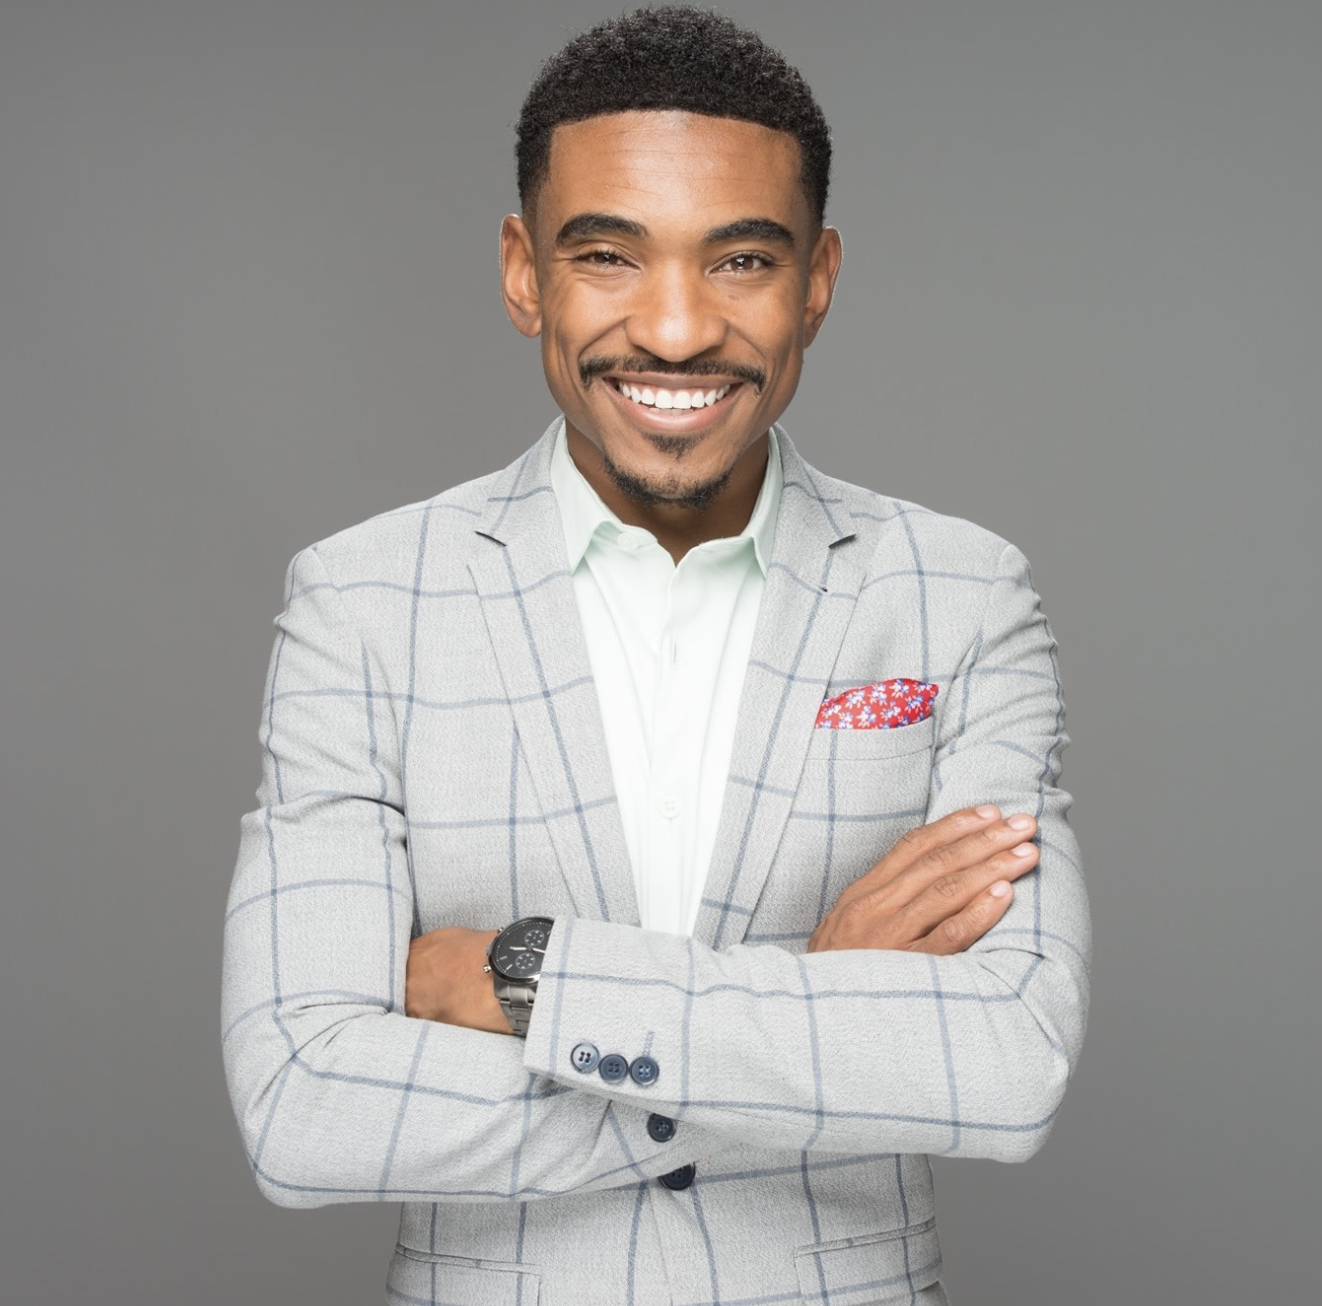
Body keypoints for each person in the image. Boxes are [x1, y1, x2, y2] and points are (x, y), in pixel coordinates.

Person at [221, 8, 1089, 1304]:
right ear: (524, 272)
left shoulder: (958, 597)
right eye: (607, 256)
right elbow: (303, 1103)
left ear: (818, 279)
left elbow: (1009, 1065)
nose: (676, 330)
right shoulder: (362, 604)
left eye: (740, 259)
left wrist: (530, 979)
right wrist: (816, 1002)